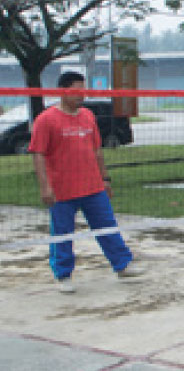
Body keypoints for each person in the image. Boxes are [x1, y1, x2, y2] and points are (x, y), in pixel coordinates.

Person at [29, 71, 142, 294]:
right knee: (62, 233)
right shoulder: (46, 119)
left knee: (107, 227)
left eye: (83, 90)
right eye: (76, 90)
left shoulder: (88, 116)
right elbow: (38, 154)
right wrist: (45, 186)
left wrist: (105, 178)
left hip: (92, 186)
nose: (82, 95)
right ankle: (63, 274)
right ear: (63, 91)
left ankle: (122, 265)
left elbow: (97, 150)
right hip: (62, 189)